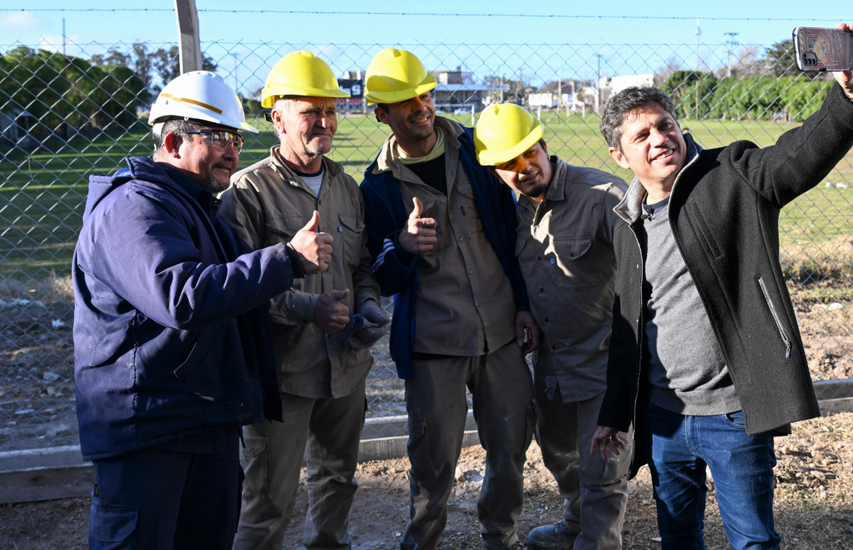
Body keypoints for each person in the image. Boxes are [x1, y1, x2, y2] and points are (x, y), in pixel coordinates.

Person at [591, 23, 853, 550]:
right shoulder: (624, 223)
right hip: (663, 418)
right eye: (642, 135)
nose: (660, 139)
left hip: (734, 412)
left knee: (752, 539)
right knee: (678, 536)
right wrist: (615, 413)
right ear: (620, 156)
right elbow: (628, 324)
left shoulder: (733, 174)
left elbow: (799, 156)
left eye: (666, 125)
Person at [73, 71, 333, 550]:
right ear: (172, 140)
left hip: (202, 417)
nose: (233, 151)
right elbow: (180, 295)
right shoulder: (133, 207)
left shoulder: (193, 207)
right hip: (148, 429)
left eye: (235, 138)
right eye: (218, 137)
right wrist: (288, 259)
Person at [358, 48, 539, 550]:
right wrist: (403, 248)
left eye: (425, 94)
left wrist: (523, 303)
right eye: (405, 101)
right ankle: (423, 541)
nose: (421, 106)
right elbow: (378, 272)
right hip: (434, 341)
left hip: (501, 331)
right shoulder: (375, 187)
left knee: (510, 446)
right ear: (381, 113)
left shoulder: (476, 151)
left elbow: (511, 234)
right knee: (433, 459)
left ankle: (500, 535)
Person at [219, 51, 387, 550]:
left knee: (338, 480)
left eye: (330, 110)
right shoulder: (247, 193)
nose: (324, 121)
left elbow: (361, 267)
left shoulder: (346, 187)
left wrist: (370, 306)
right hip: (282, 374)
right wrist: (307, 310)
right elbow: (235, 287)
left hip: (345, 366)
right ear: (277, 117)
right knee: (269, 498)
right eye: (310, 111)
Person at [474, 104, 632, 550]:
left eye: (529, 153)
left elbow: (647, 274)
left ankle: (596, 542)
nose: (523, 168)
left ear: (543, 144)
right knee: (559, 453)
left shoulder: (602, 196)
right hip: (552, 362)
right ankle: (577, 522)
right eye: (508, 162)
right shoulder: (515, 212)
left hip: (602, 358)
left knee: (602, 468)